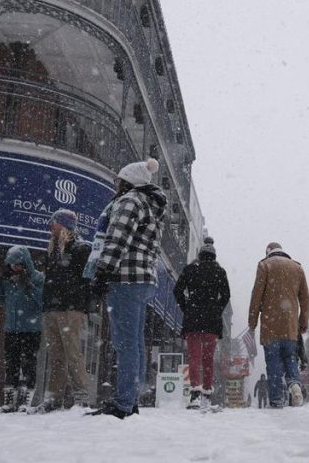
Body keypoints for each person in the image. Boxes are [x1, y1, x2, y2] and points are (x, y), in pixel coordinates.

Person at [85, 158, 166, 419]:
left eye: (118, 181)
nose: (115, 185)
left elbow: (117, 238)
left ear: (127, 182)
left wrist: (101, 272)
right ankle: (131, 397)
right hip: (144, 279)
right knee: (136, 342)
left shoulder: (130, 200)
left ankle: (123, 403)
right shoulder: (151, 205)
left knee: (125, 342)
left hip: (126, 277)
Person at [38, 209, 92, 412]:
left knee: (72, 353)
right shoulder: (53, 249)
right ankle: (53, 397)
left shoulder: (81, 249)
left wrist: (82, 304)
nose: (51, 225)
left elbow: (87, 280)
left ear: (64, 225)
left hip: (70, 308)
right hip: (52, 308)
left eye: (54, 222)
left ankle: (81, 397)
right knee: (56, 354)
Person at [248, 242, 309, 408]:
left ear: (268, 252)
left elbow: (256, 295)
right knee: (290, 358)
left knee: (273, 361)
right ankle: (294, 384)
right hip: (290, 325)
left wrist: (252, 322)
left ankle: (276, 399)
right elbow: (304, 299)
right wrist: (303, 322)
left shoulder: (264, 266)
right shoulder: (297, 268)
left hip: (270, 324)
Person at [173, 237, 230, 410]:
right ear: (213, 255)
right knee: (207, 359)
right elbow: (226, 295)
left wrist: (186, 306)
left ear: (200, 254)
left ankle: (195, 394)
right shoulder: (220, 272)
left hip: (193, 319)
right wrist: (216, 309)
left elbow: (177, 291)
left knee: (194, 357)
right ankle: (207, 394)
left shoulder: (190, 269)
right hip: (211, 322)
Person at [0, 246, 45, 413]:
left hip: (31, 329)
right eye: (12, 265)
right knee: (11, 364)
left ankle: (26, 399)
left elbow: (43, 302)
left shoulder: (37, 278)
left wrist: (29, 286)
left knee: (28, 364)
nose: (15, 268)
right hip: (11, 328)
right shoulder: (8, 280)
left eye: (19, 264)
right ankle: (10, 400)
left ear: (26, 263)